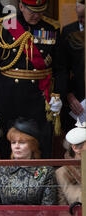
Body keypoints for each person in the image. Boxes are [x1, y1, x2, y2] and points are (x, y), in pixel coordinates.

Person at [0, 0, 65, 159]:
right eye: (32, 11)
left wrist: (58, 94)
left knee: (41, 142)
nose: (36, 15)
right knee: (8, 143)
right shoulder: (5, 26)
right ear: (21, 6)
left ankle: (41, 180)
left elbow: (61, 69)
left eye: (40, 11)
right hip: (9, 97)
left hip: (39, 97)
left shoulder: (52, 29)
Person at [59, 0, 85, 134]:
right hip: (77, 100)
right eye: (79, 16)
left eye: (85, 16)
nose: (82, 20)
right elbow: (63, 68)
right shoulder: (68, 31)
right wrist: (69, 95)